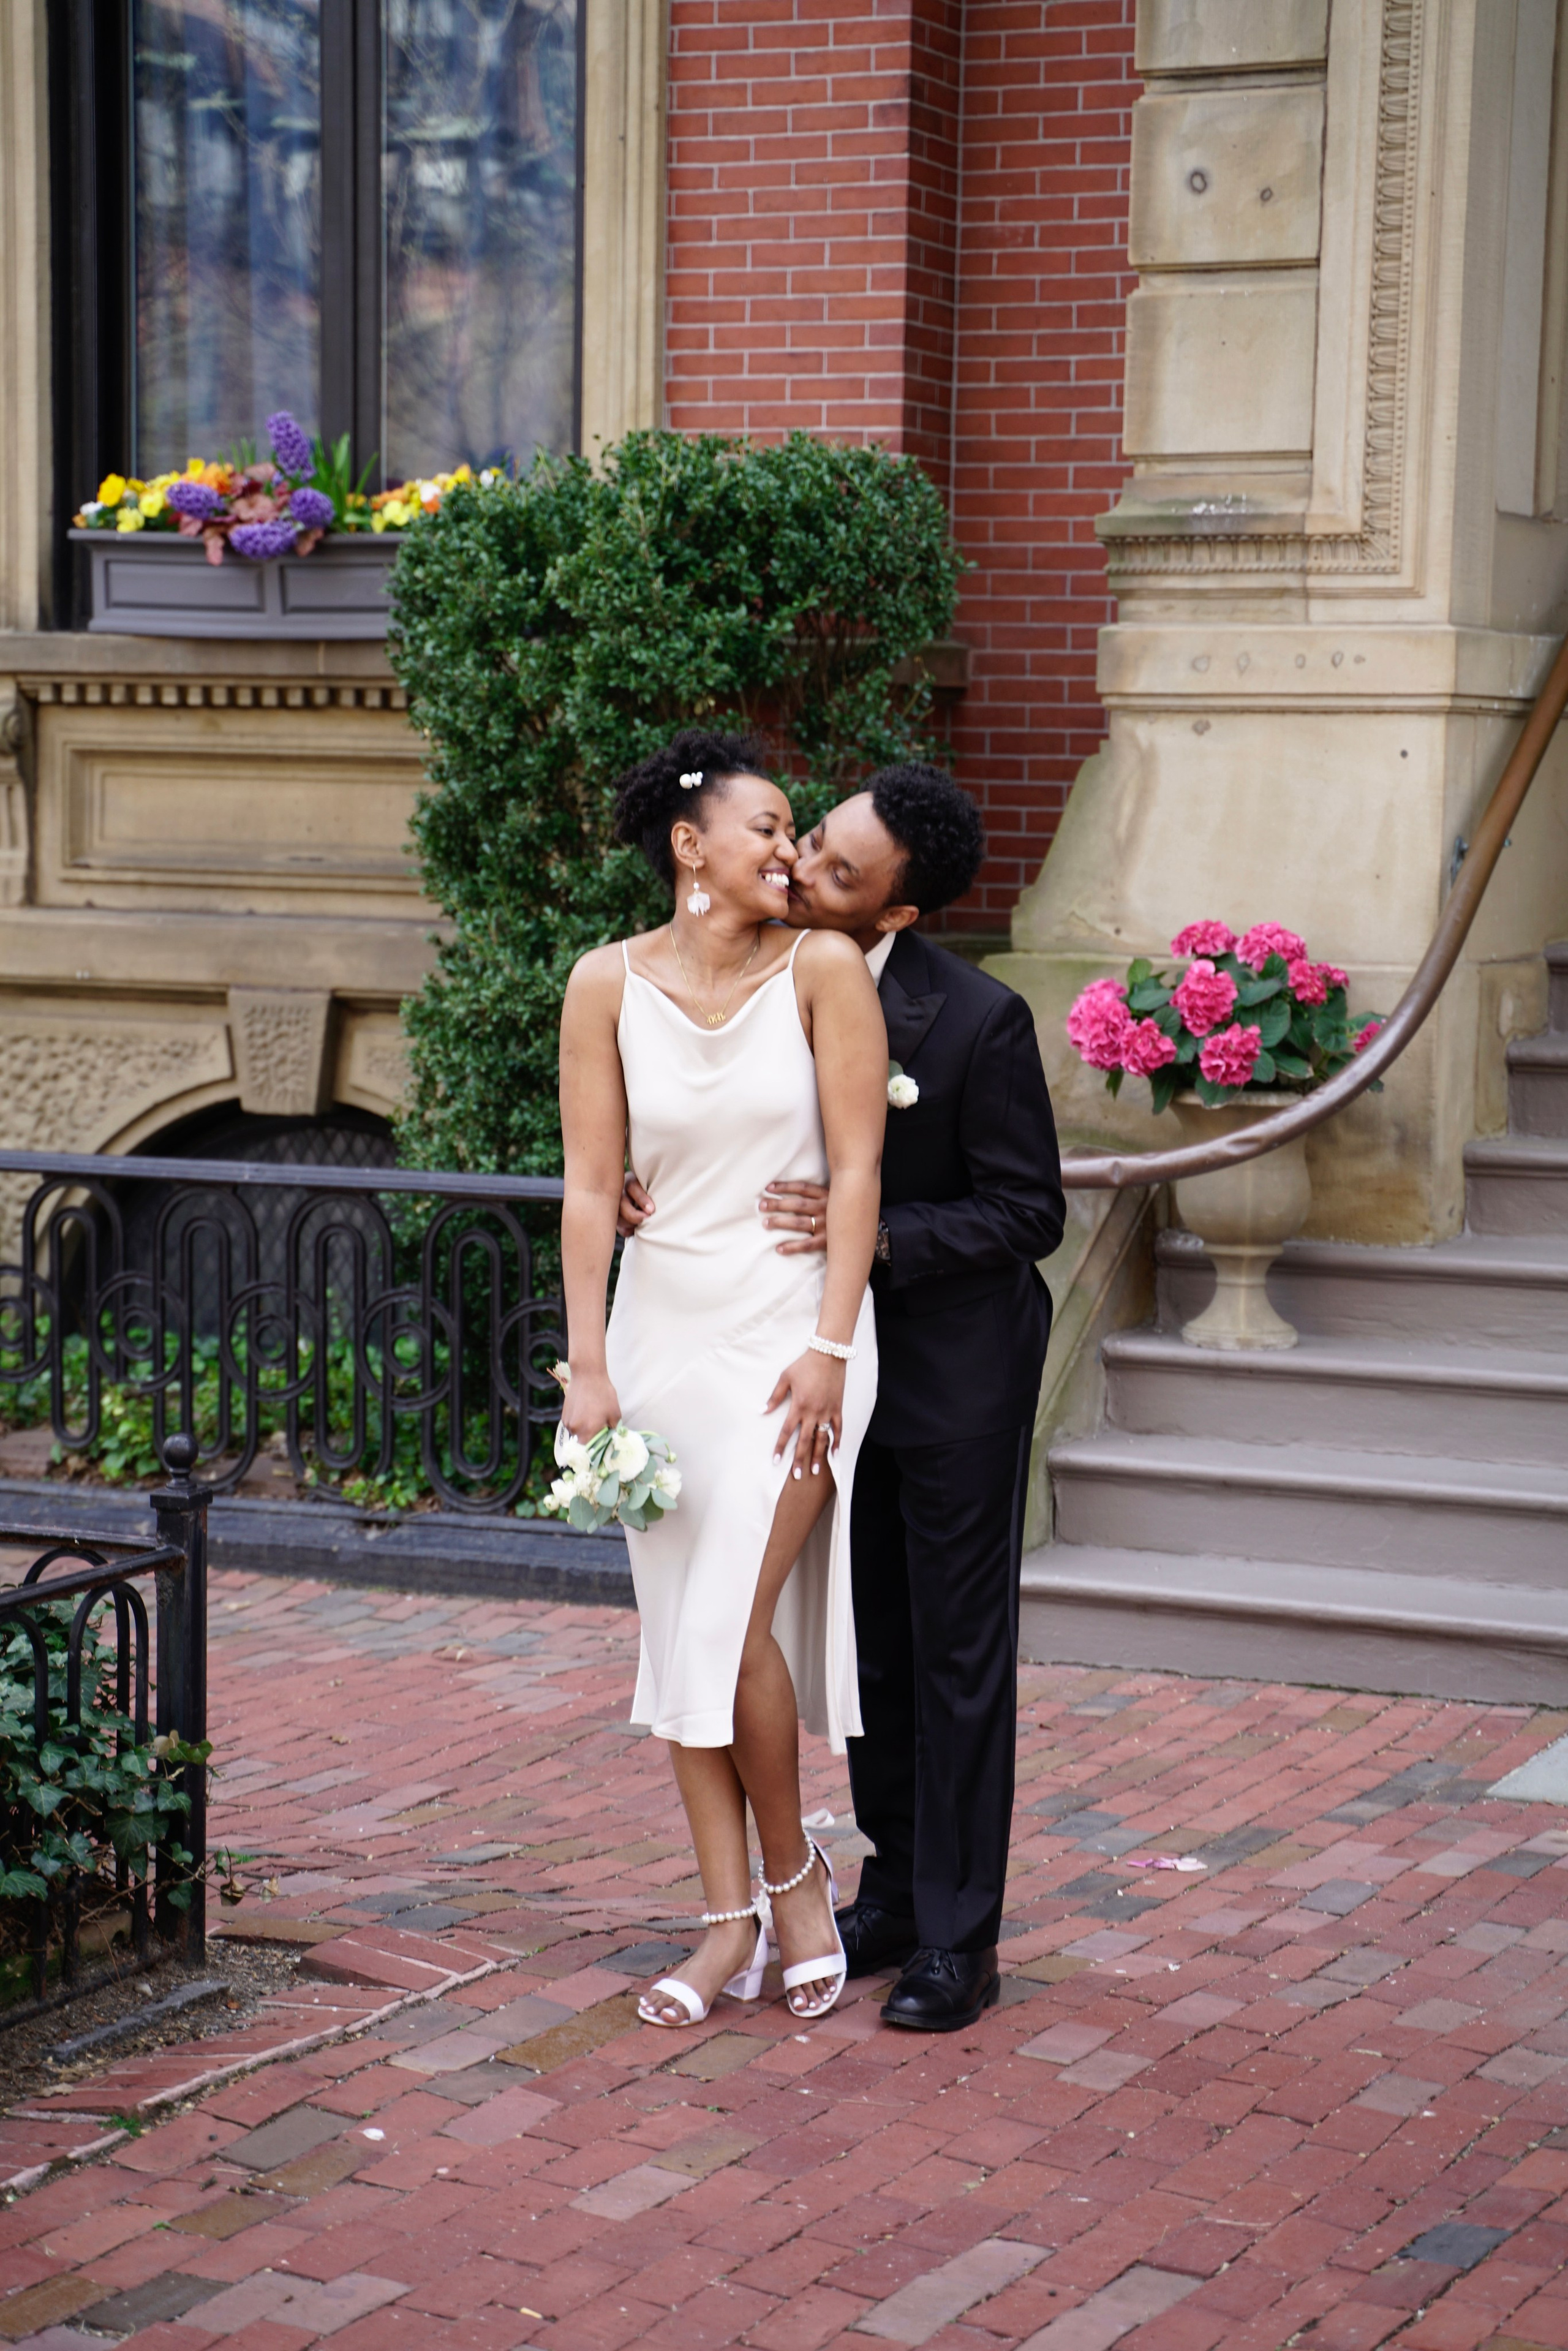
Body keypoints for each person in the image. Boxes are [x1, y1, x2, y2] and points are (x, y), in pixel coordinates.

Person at [622, 765, 1065, 2031]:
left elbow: (1028, 1210)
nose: (801, 870)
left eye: (837, 872)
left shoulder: (976, 1020)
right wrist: (654, 1188)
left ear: (900, 916)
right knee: (867, 1639)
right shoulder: (753, 970)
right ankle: (885, 1894)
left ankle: (958, 1937)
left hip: (947, 1369)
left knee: (954, 1650)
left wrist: (873, 1237)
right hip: (803, 1367)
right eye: (811, 842)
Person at [559, 728, 887, 2031]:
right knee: (689, 1633)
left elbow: (856, 1172)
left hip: (790, 1342)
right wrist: (588, 1364)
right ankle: (733, 1912)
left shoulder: (824, 969)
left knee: (719, 1624)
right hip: (658, 1346)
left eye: (793, 829)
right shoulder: (603, 983)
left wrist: (831, 1343)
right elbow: (592, 1186)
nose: (787, 848)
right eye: (766, 826)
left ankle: (785, 1891)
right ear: (689, 845)